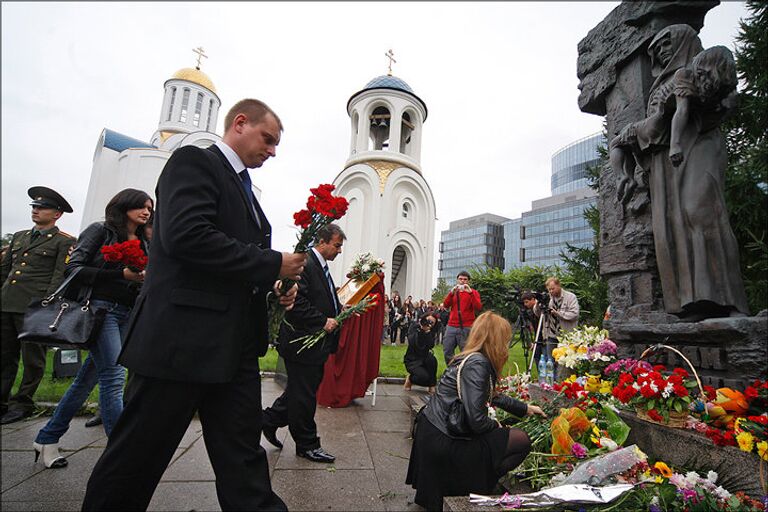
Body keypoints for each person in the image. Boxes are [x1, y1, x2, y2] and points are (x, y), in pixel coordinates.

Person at [81, 99, 304, 511]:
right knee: (136, 458)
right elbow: (188, 236)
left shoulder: (246, 191)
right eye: (267, 139)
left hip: (232, 347)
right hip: (180, 343)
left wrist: (273, 284)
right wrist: (273, 261)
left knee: (243, 459)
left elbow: (233, 262)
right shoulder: (193, 162)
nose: (272, 151)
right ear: (240, 123)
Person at [33, 188, 152, 468]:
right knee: (113, 376)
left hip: (127, 313)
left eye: (149, 207)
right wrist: (118, 274)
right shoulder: (100, 231)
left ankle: (47, 437)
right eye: (141, 206)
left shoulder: (144, 240)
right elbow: (73, 269)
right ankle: (120, 450)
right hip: (99, 310)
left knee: (87, 379)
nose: (147, 212)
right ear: (124, 206)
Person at [406, 311, 546, 511]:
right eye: (504, 340)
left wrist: (524, 408)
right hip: (445, 439)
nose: (506, 345)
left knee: (502, 439)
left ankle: (474, 476)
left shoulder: (469, 357)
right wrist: (496, 425)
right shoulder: (478, 364)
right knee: (521, 440)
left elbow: (490, 395)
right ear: (495, 341)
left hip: (433, 431)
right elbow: (477, 421)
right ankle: (475, 481)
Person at [262, 223, 345, 464]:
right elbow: (295, 304)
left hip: (313, 344)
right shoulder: (306, 263)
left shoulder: (320, 265)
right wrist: (323, 321)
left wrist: (338, 309)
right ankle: (307, 444)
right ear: (322, 241)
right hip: (302, 343)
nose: (339, 251)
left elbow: (319, 298)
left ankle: (267, 420)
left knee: (300, 391)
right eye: (337, 245)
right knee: (304, 396)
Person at [1, 187, 74, 425]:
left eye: (42, 208)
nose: (36, 210)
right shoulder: (20, 236)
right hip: (7, 302)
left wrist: (47, 305)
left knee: (33, 359)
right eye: (34, 207)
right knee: (5, 356)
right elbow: (6, 270)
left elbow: (59, 276)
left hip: (34, 307)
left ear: (57, 214)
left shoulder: (64, 241)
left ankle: (22, 403)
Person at [535, 277, 579, 372]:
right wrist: (538, 303)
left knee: (565, 362)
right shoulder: (548, 299)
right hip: (551, 334)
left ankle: (563, 382)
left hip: (566, 336)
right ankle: (552, 382)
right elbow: (538, 314)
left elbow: (574, 314)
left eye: (553, 288)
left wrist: (558, 313)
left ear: (559, 285)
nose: (551, 291)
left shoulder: (570, 297)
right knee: (551, 361)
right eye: (549, 289)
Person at [442, 271, 482, 365]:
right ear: (457, 280)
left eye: (465, 279)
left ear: (468, 281)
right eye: (460, 279)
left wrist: (470, 293)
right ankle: (451, 370)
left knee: (465, 352)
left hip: (466, 326)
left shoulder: (473, 292)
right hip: (452, 325)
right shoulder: (454, 292)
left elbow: (478, 307)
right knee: (447, 350)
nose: (462, 281)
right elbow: (446, 305)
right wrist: (451, 293)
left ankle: (464, 370)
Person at [403, 311, 438, 393]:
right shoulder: (415, 326)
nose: (429, 323)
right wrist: (421, 330)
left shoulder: (431, 331)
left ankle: (432, 385)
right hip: (412, 360)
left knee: (432, 360)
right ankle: (410, 379)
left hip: (425, 358)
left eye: (432, 323)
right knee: (424, 378)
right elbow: (412, 341)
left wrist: (427, 332)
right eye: (428, 320)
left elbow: (431, 345)